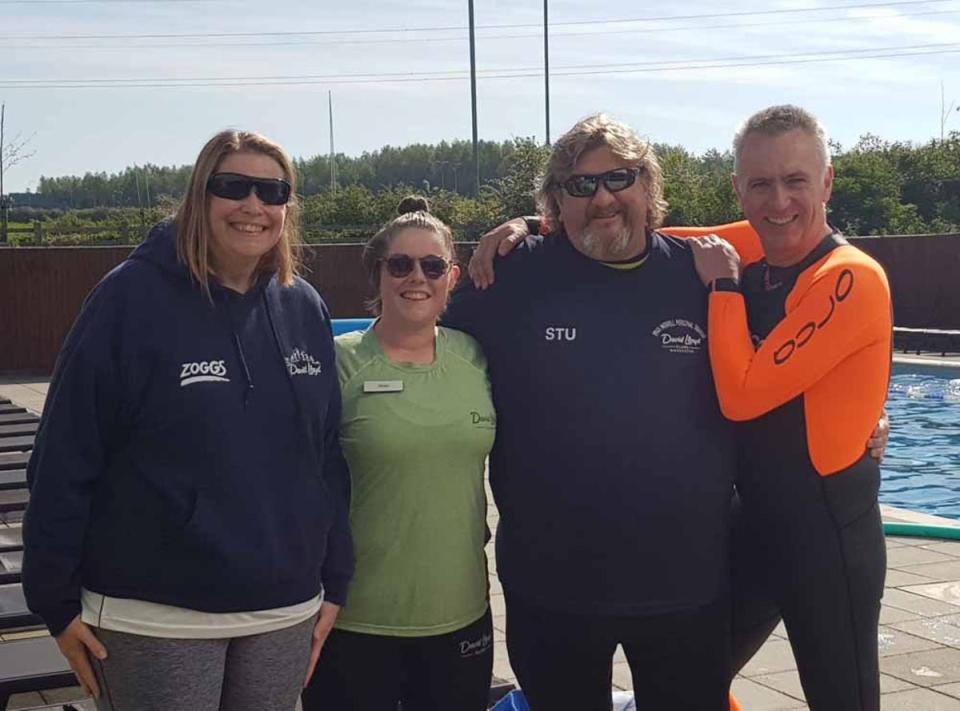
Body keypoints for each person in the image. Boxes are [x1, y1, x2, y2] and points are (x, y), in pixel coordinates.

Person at [22, 129, 353, 711]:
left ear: (287, 207)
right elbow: (66, 452)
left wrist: (335, 577)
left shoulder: (303, 306)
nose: (253, 205)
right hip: (154, 611)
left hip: (284, 605)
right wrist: (53, 597)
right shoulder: (129, 299)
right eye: (233, 187)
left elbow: (324, 455)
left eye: (272, 191)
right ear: (200, 196)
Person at [444, 114, 739, 710]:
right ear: (556, 202)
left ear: (649, 186)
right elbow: (416, 337)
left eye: (619, 179)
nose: (602, 198)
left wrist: (867, 416)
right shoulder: (514, 273)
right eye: (580, 186)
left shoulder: (703, 274)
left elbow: (781, 362)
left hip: (685, 586)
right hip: (551, 586)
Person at [689, 105, 891, 711]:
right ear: (739, 189)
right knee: (688, 677)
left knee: (842, 700)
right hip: (753, 523)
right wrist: (538, 227)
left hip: (827, 536)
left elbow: (743, 395)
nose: (779, 202)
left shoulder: (850, 276)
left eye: (796, 181)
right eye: (760, 184)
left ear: (827, 182)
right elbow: (651, 239)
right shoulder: (750, 245)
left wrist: (722, 290)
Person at [302, 196, 496, 711]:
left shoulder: (474, 356)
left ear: (451, 276)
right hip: (354, 620)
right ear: (378, 274)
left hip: (461, 616)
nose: (418, 277)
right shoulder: (337, 363)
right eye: (401, 264)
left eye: (433, 265)